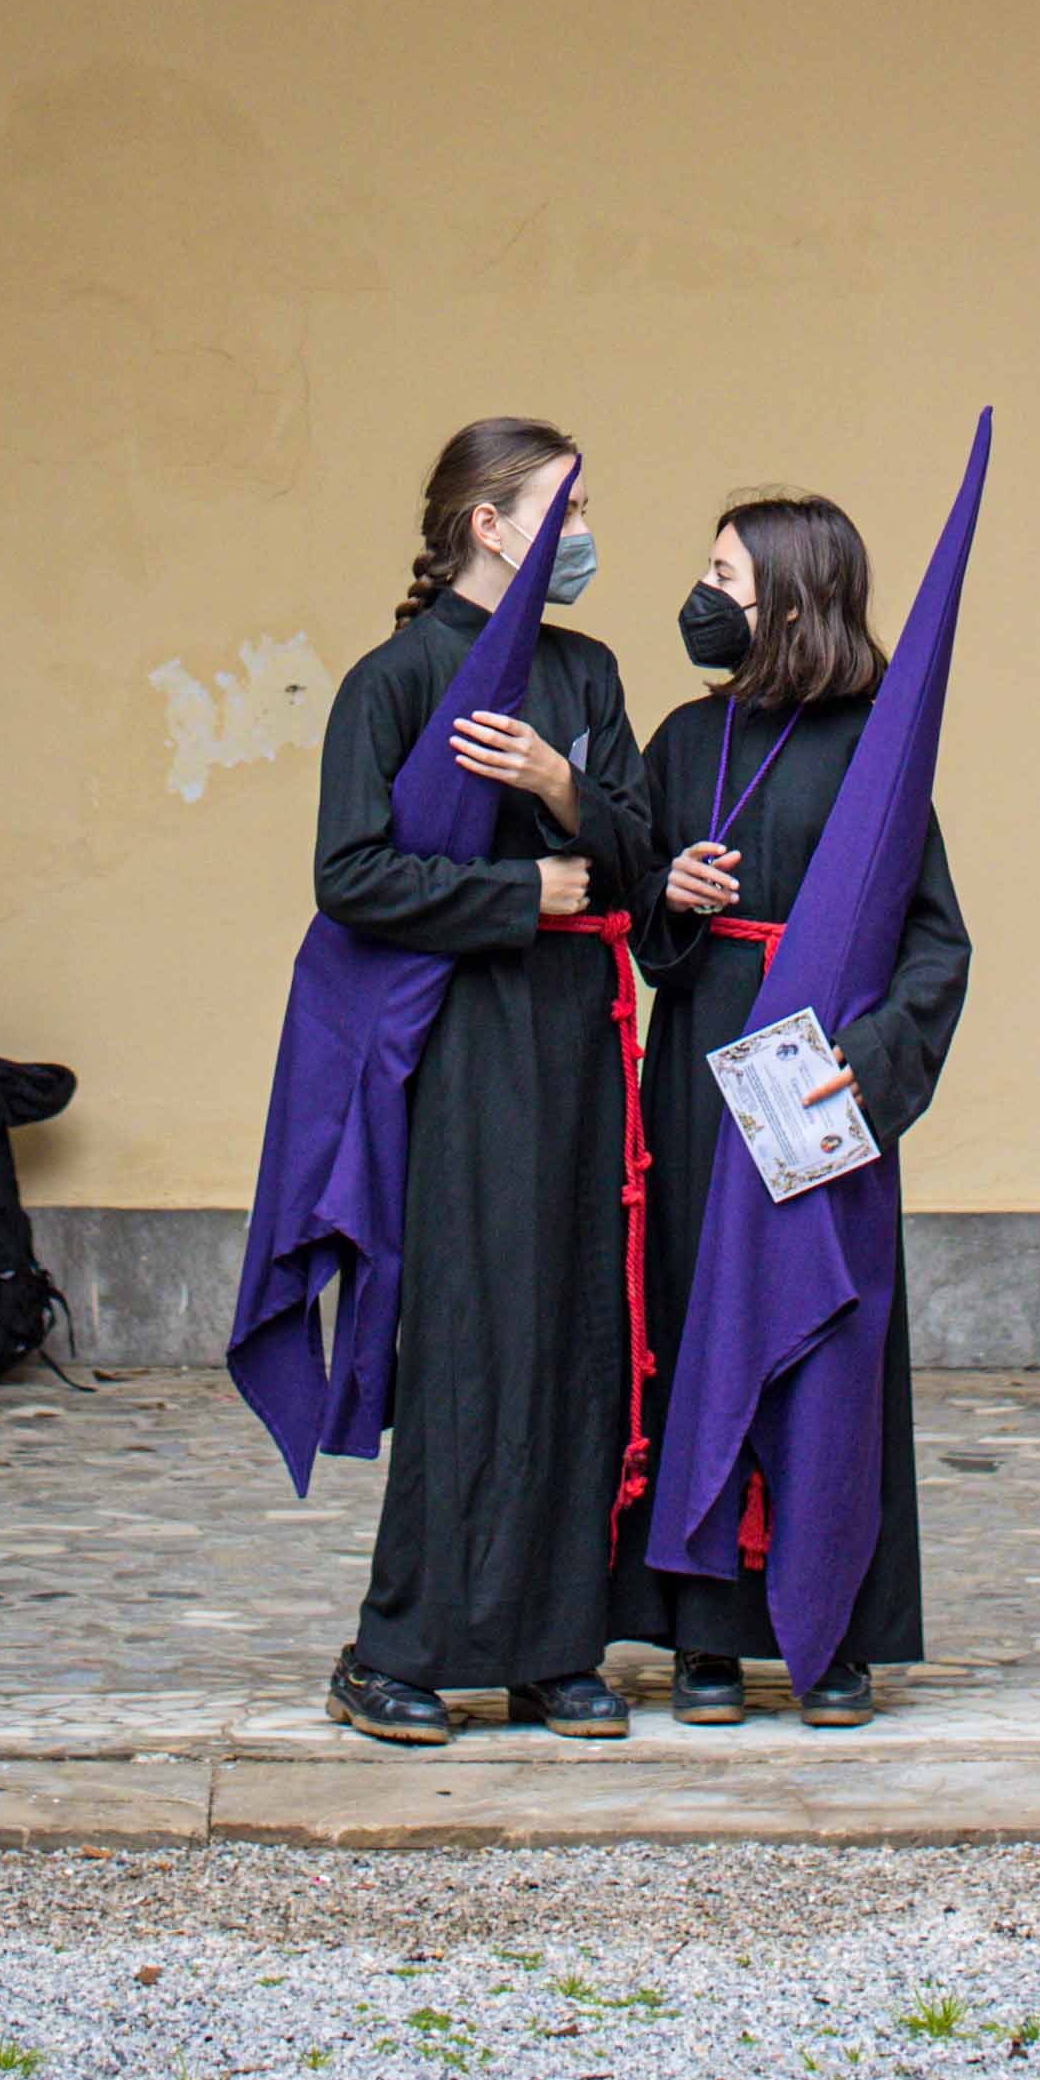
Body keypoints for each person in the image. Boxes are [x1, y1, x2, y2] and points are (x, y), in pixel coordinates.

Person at [315, 417, 657, 1746]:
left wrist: (563, 785)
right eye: (562, 509)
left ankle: (553, 1648)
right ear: (488, 524)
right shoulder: (392, 681)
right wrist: (516, 886)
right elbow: (349, 876)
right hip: (462, 1042)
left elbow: (637, 850)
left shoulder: (585, 672)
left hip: (581, 1035)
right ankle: (394, 1644)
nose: (580, 536)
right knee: (468, 1329)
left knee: (577, 1322)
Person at [615, 490, 969, 1726]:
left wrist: (868, 1065)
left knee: (825, 1344)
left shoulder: (879, 748)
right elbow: (635, 929)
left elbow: (936, 946)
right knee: (695, 1329)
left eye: (724, 572)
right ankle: (703, 1635)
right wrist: (672, 894)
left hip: (817, 1083)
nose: (703, 595)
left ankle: (833, 1636)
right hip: (701, 1068)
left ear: (790, 595)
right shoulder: (677, 738)